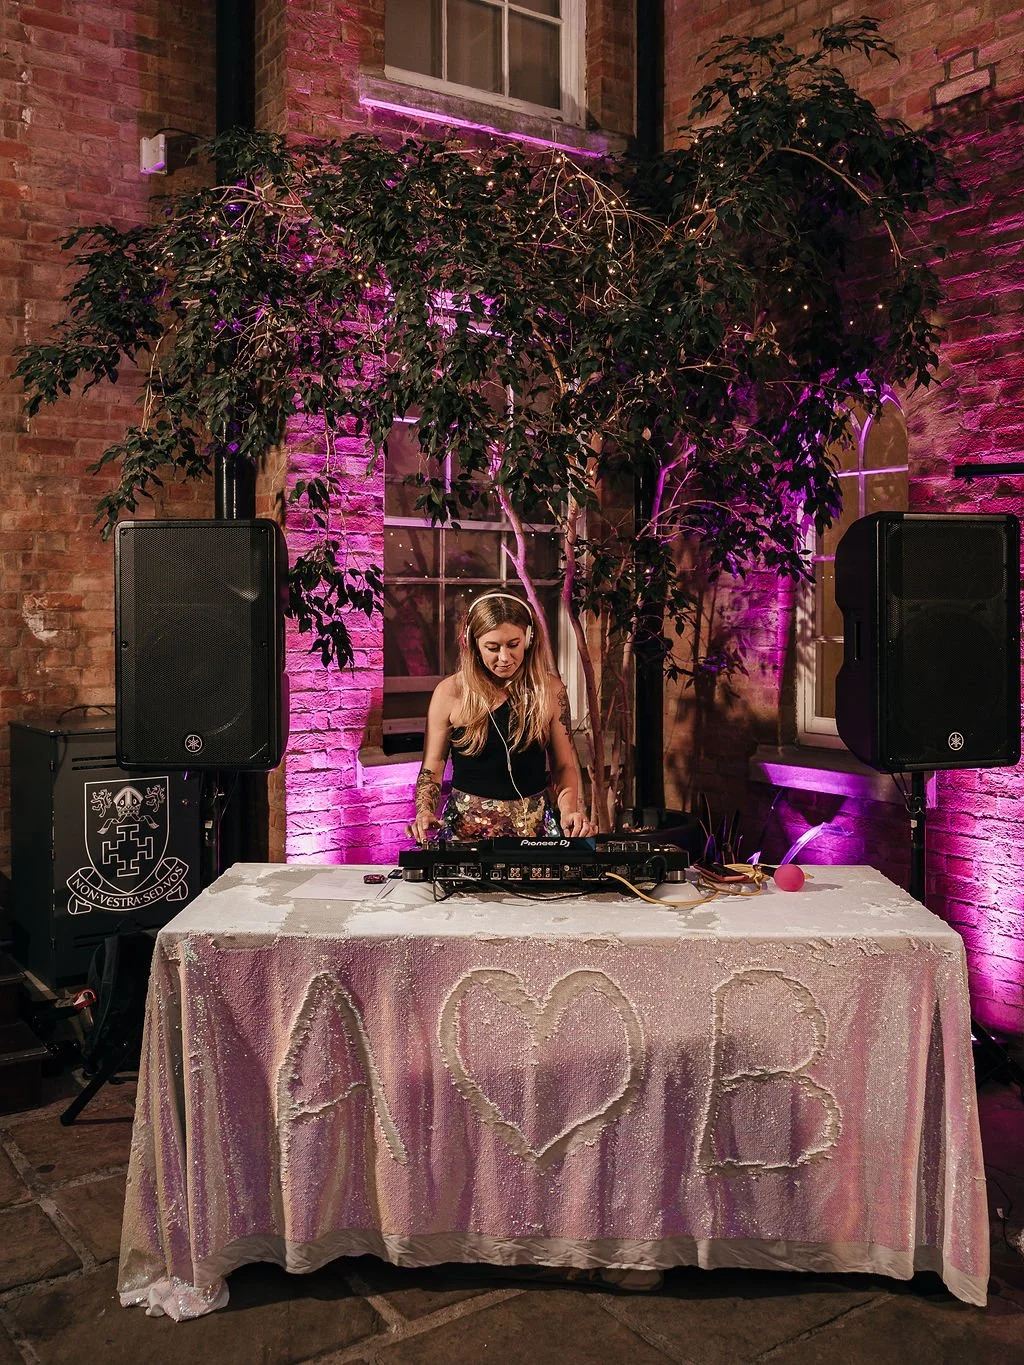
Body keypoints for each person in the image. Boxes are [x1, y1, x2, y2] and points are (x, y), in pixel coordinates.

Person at [408, 592, 596, 843]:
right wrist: (424, 812)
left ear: (528, 639)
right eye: (493, 648)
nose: (505, 657)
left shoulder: (550, 691)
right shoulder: (450, 693)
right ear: (472, 644)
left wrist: (570, 810)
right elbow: (431, 770)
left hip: (535, 831)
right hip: (465, 835)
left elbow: (563, 766)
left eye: (513, 644)